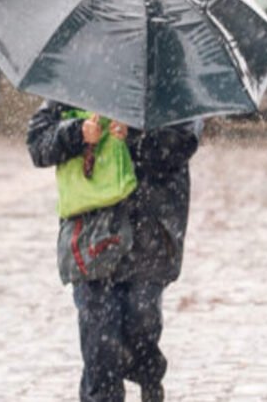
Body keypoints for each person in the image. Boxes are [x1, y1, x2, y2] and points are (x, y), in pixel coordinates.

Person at [27, 101, 201, 402]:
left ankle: (148, 373)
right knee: (99, 339)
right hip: (91, 233)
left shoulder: (171, 84)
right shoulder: (78, 80)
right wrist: (77, 133)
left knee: (141, 320)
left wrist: (135, 137)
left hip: (150, 231)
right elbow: (38, 145)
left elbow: (182, 144)